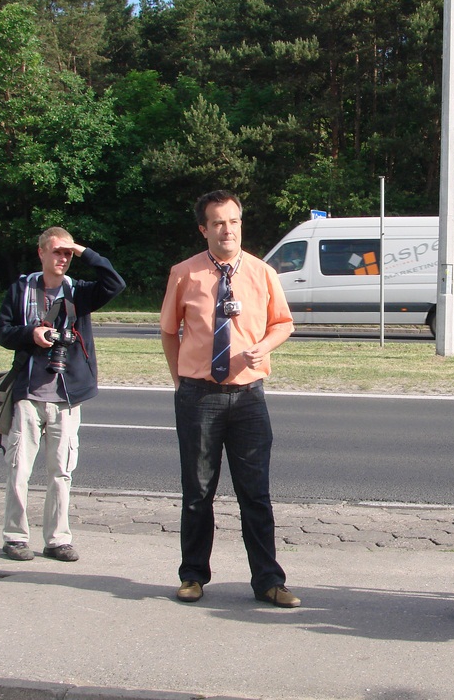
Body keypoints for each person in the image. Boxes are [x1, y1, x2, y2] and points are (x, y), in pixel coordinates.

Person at [160, 190, 299, 608]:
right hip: (199, 395)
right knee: (198, 491)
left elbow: (284, 323)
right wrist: (181, 381)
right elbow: (169, 331)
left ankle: (269, 581)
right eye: (218, 223)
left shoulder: (261, 272)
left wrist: (267, 346)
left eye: (234, 221)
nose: (227, 230)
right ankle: (193, 576)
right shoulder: (184, 274)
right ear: (204, 229)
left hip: (249, 399)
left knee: (255, 493)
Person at [0, 227, 125, 562]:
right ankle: (15, 537)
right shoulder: (21, 289)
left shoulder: (78, 292)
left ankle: (57, 539)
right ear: (41, 253)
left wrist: (83, 250)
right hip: (29, 393)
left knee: (61, 472)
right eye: (56, 252)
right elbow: (1, 331)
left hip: (67, 395)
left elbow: (115, 283)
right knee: (19, 468)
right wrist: (32, 334)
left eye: (67, 254)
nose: (62, 259)